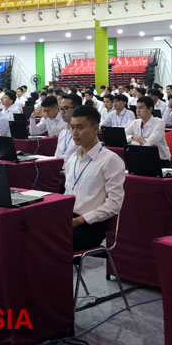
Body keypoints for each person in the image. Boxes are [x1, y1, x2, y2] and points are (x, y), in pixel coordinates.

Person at [64, 105, 125, 252]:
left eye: (80, 127)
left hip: (91, 225)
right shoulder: (73, 158)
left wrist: (81, 220)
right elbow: (67, 192)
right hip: (68, 219)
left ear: (95, 128)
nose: (74, 133)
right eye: (72, 127)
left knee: (52, 243)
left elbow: (114, 204)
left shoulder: (110, 160)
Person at [124, 96, 171, 167]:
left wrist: (131, 143)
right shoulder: (135, 122)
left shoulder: (159, 122)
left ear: (150, 109)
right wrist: (133, 137)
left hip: (160, 161)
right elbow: (122, 136)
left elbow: (150, 143)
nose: (137, 111)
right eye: (137, 108)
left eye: (141, 108)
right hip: (140, 158)